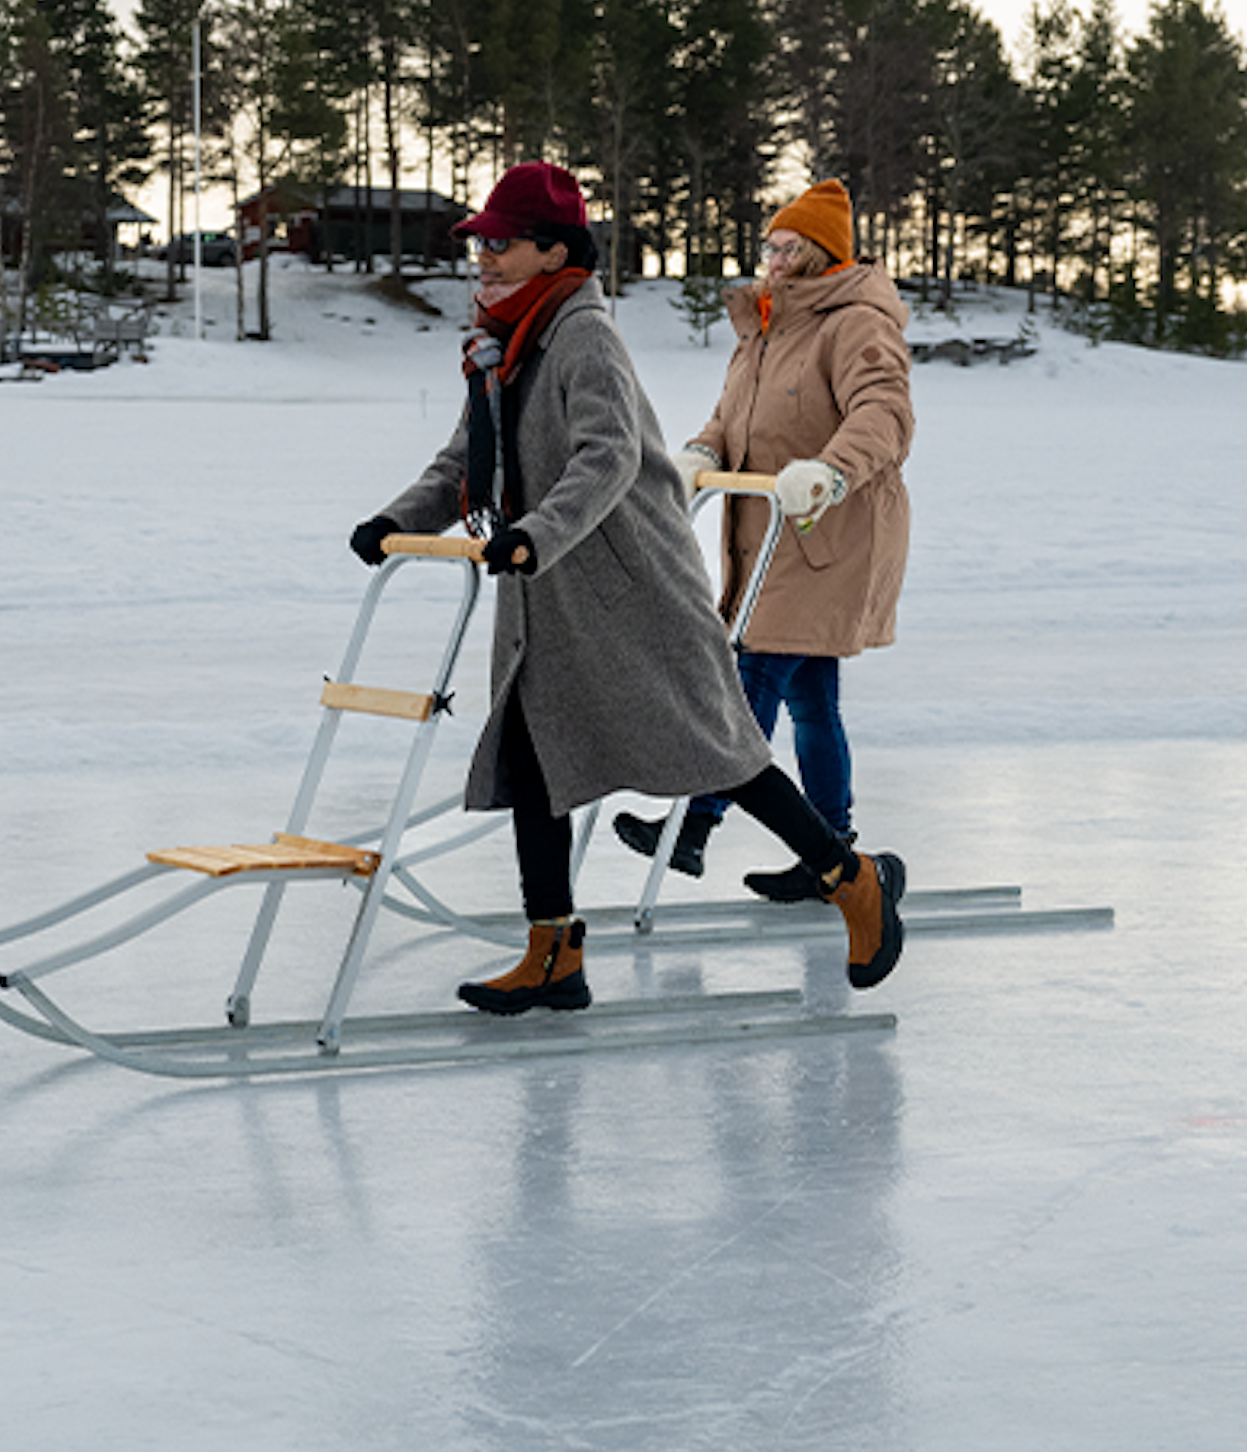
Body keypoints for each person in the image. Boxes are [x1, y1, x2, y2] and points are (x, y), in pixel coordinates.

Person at [346, 160, 904, 1014]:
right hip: (546, 584)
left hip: (629, 585)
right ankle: (553, 953)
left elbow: (604, 459)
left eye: (501, 243)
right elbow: (468, 457)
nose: (484, 258)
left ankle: (849, 878)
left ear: (551, 249)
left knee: (720, 751)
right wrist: (392, 521)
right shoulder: (505, 341)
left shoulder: (582, 336)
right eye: (481, 244)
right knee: (534, 759)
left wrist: (536, 534)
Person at [617, 176, 913, 896]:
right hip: (764, 533)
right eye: (769, 246)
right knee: (812, 697)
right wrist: (702, 452)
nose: (772, 259)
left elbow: (885, 412)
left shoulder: (855, 322)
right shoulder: (764, 325)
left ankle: (693, 825)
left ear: (818, 253)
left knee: (747, 678)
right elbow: (733, 418)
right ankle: (833, 853)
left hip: (827, 531)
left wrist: (830, 472)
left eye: (787, 247)